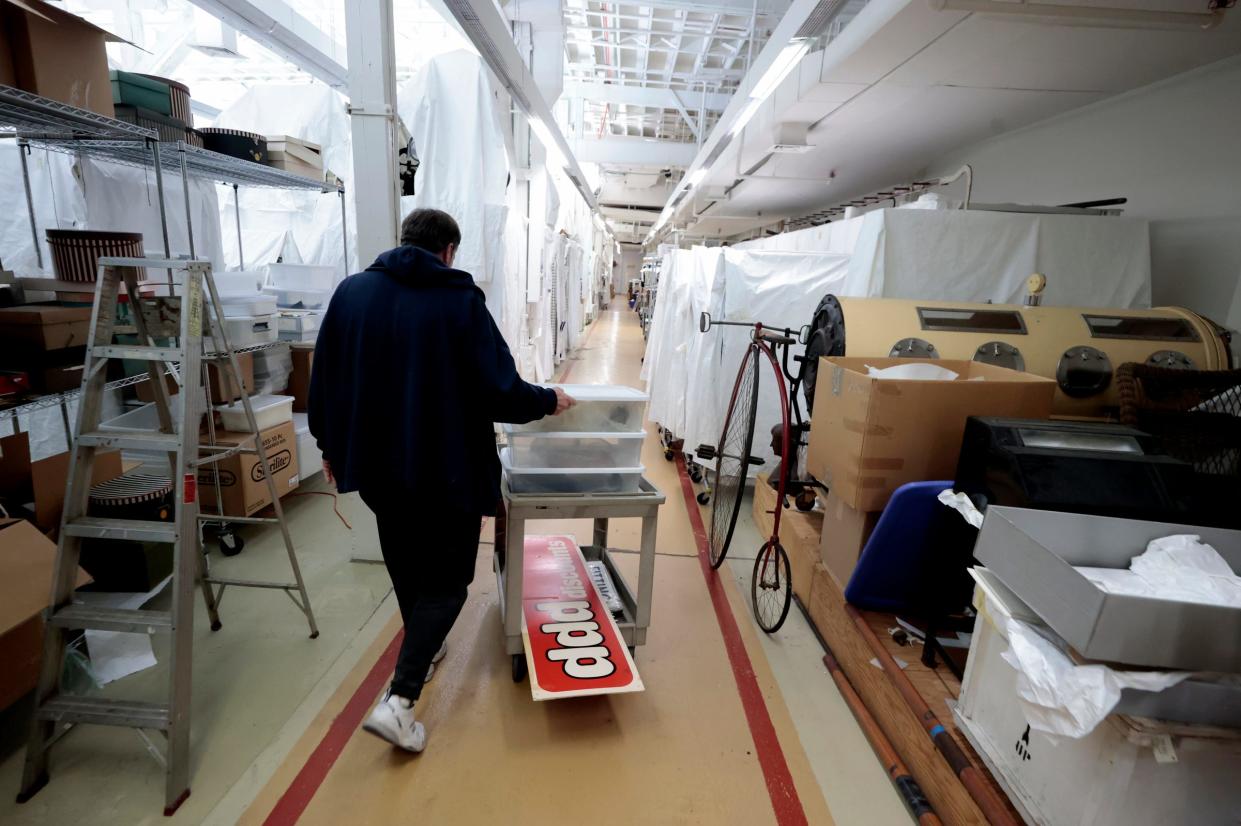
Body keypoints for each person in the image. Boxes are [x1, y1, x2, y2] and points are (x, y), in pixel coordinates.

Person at [308, 208, 574, 753]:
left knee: (406, 565)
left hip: (378, 469)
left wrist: (328, 445)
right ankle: (401, 701)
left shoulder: (351, 294)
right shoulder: (459, 302)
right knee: (450, 583)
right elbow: (500, 390)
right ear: (449, 250)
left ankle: (422, 654)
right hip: (447, 469)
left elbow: (326, 378)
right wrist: (550, 400)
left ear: (402, 240)